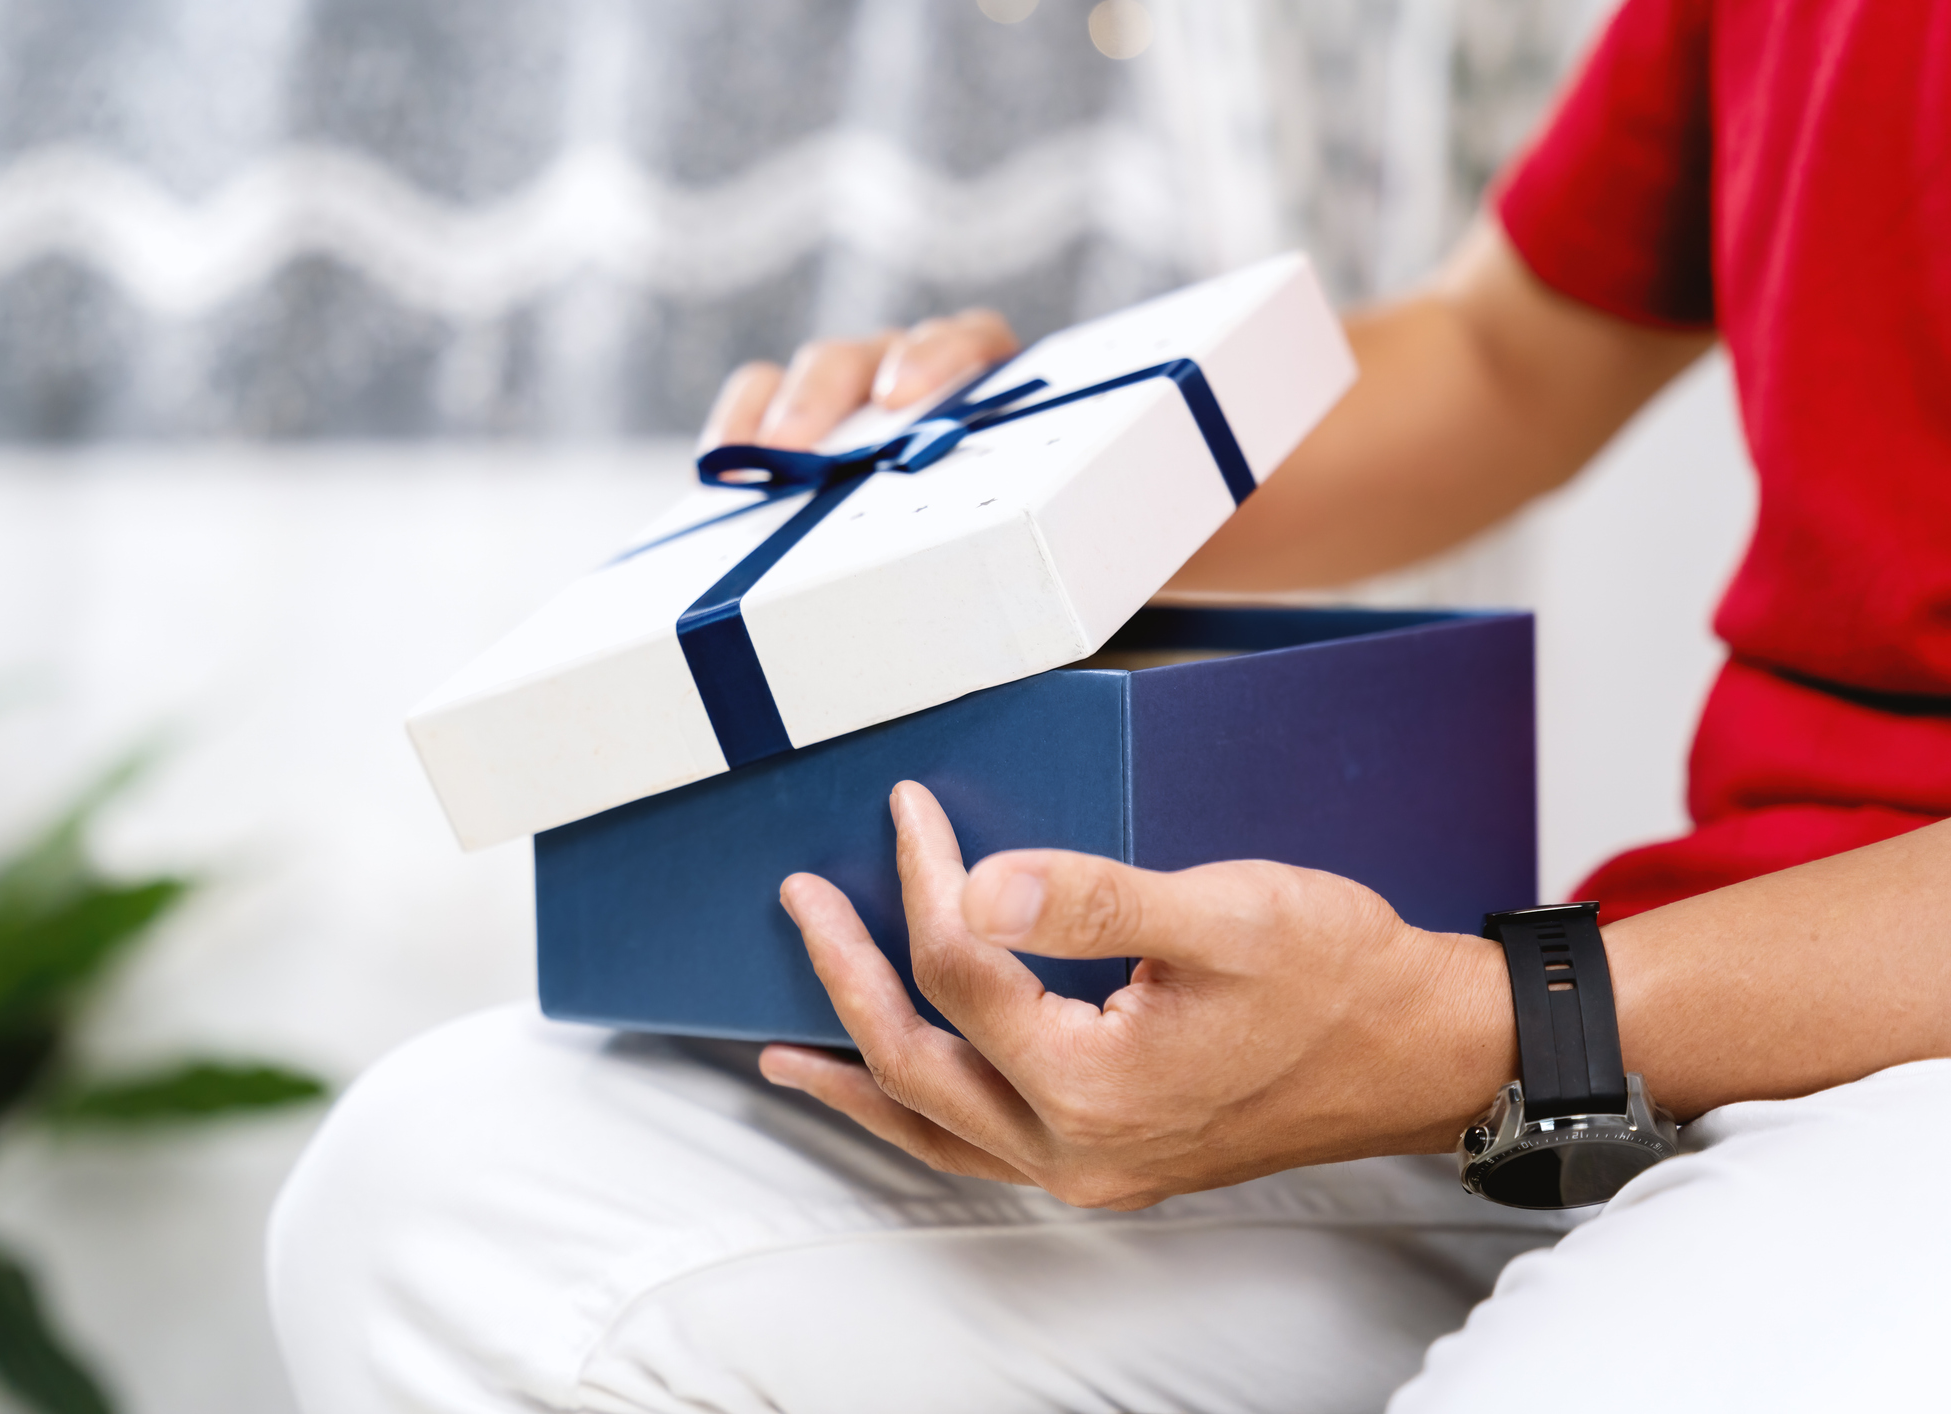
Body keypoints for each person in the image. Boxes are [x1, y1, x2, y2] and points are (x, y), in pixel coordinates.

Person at [268, 3, 1951, 1410]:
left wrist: (1487, 1026)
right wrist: (1030, 475)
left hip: (1873, 1035)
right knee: (441, 1198)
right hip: (1665, 1009)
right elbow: (1507, 352)